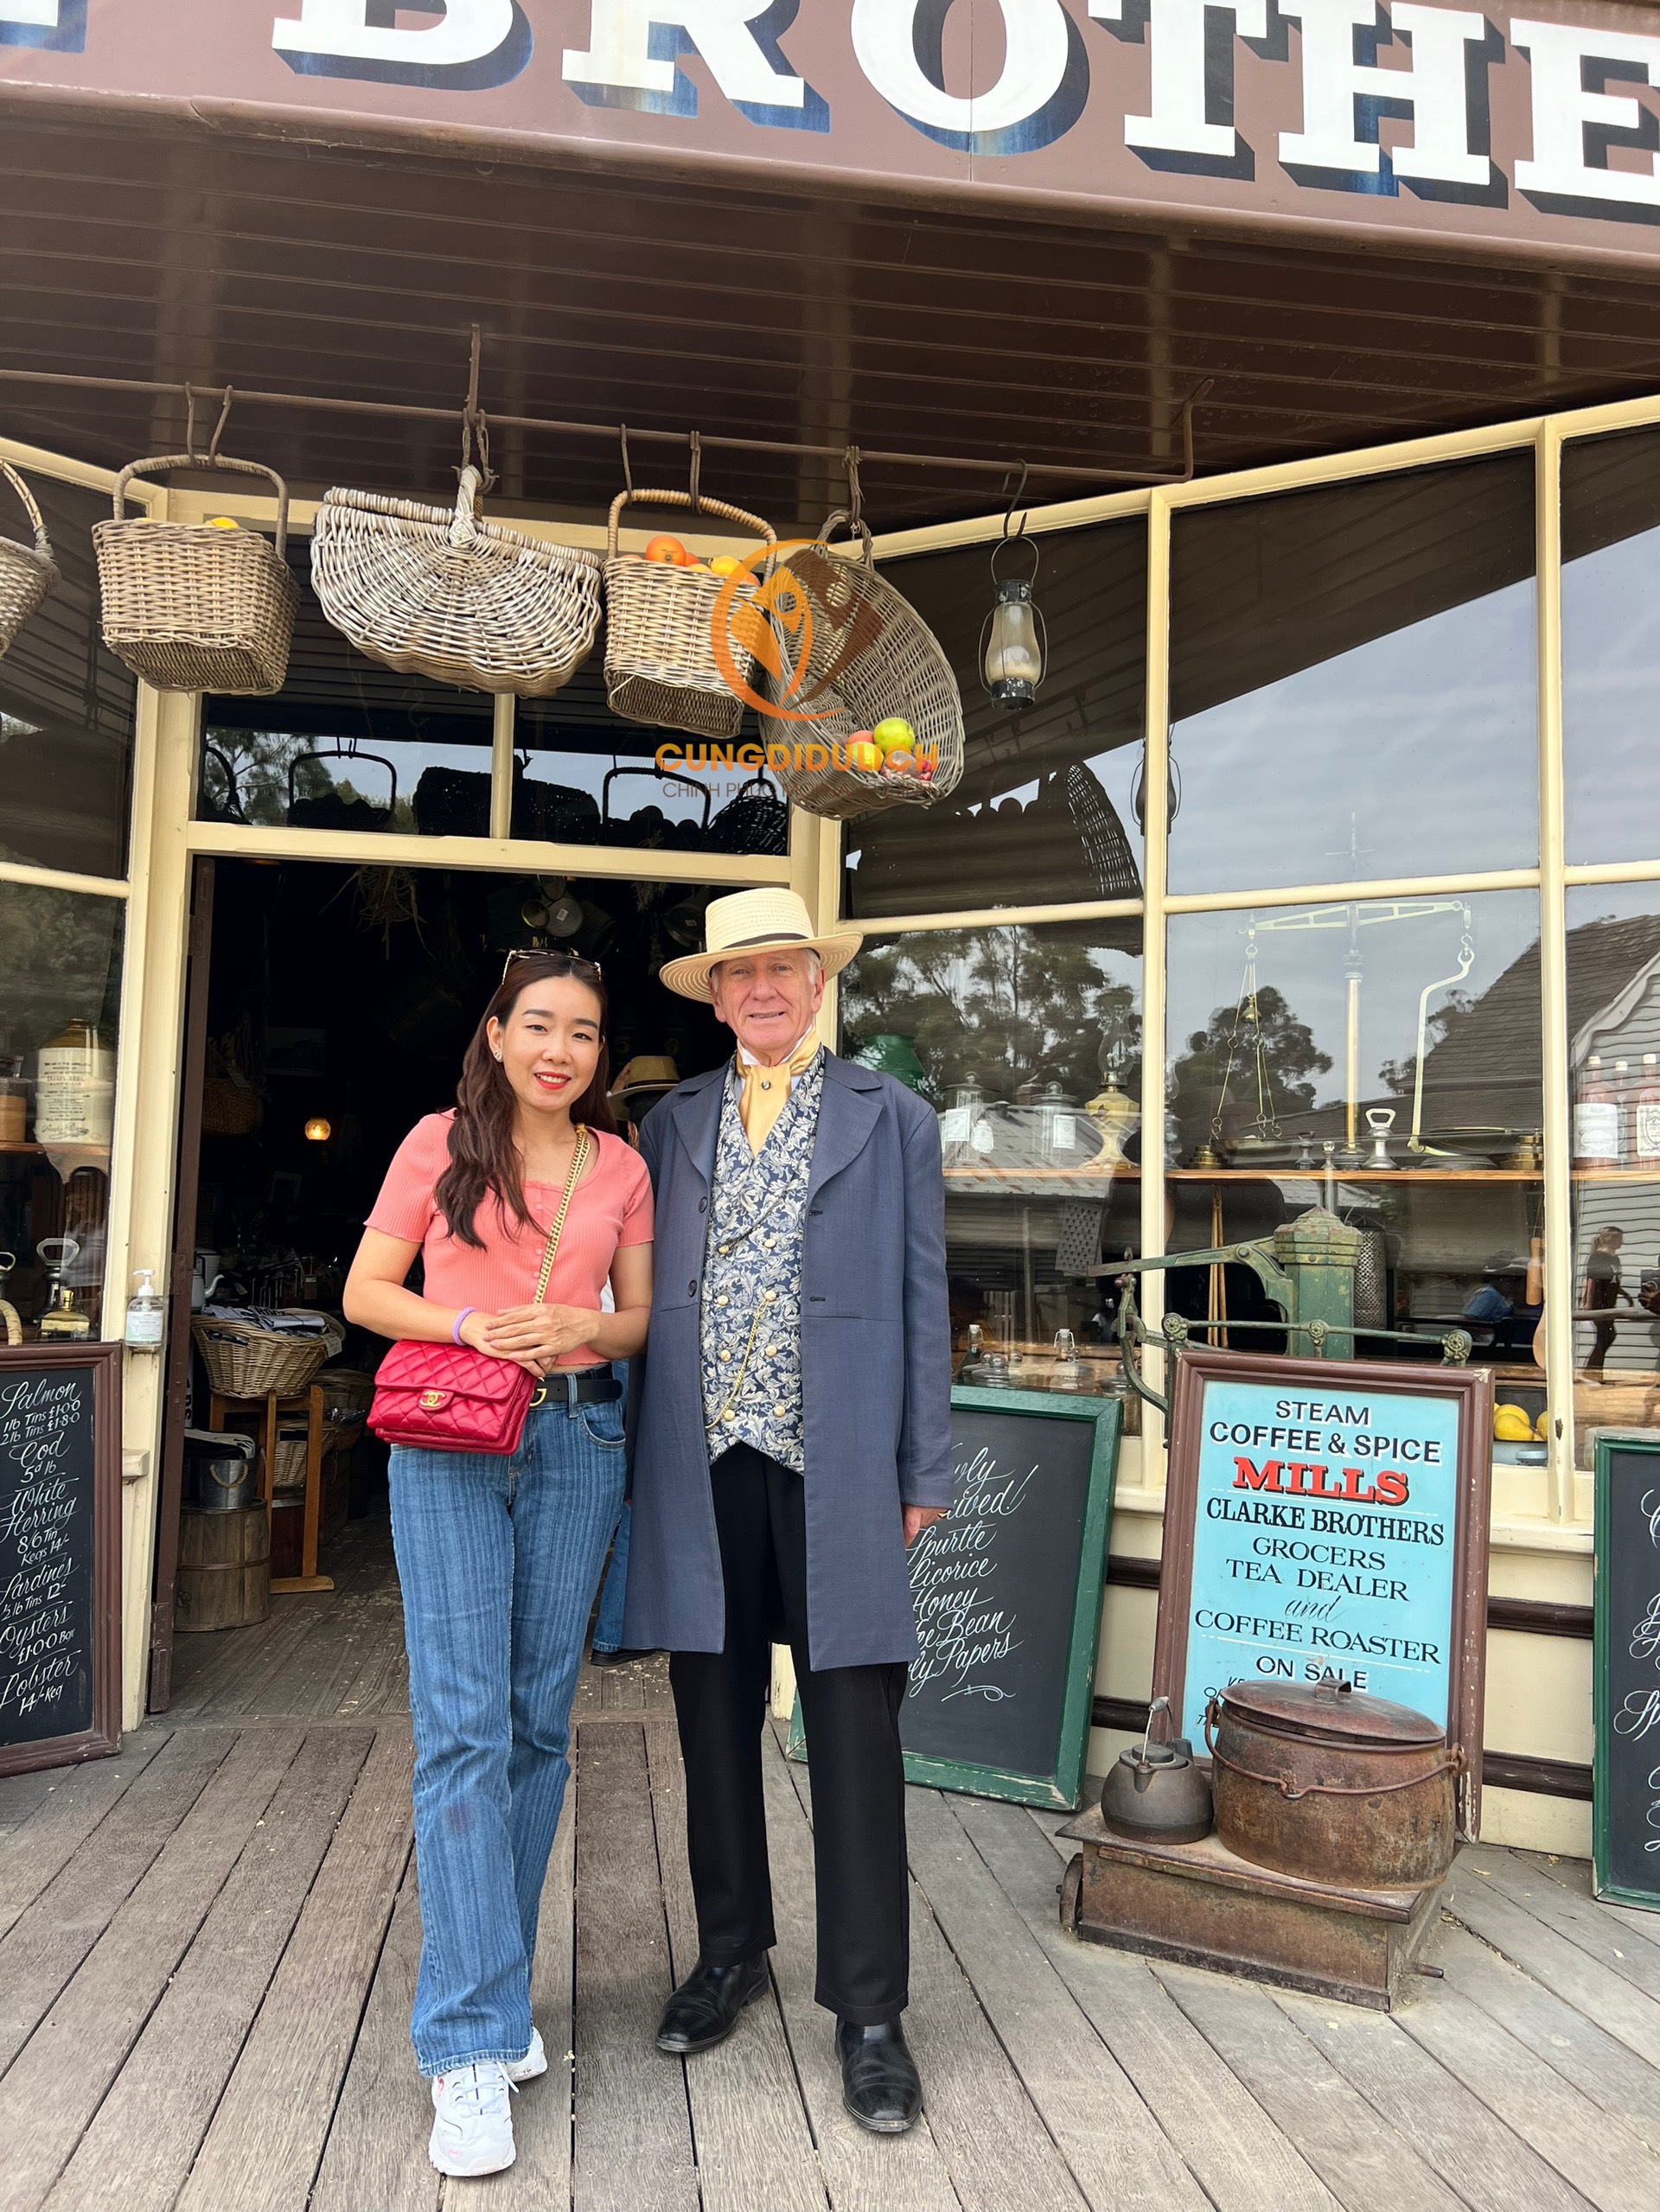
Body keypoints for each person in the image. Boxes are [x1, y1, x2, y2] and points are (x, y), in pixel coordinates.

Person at [621, 887, 953, 2135]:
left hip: (843, 1459)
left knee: (855, 1723)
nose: (763, 989)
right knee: (709, 1713)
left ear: (818, 983)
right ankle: (730, 1951)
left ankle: (870, 2011)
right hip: (699, 1454)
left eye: (784, 969)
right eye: (740, 972)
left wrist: (924, 1469)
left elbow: (924, 1298)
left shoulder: (893, 1115)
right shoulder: (669, 1122)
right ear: (715, 996)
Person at [343, 951, 653, 2178]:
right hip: (450, 1442)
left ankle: (494, 1989)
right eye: (539, 1024)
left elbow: (639, 1319)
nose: (559, 1049)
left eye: (582, 1031)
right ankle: (468, 2044)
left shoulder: (619, 1165)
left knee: (535, 1726)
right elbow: (368, 1291)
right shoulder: (439, 1142)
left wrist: (587, 1325)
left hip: (579, 1440)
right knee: (462, 1728)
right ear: (496, 1033)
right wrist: (471, 1322)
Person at [590, 1055, 680, 1666]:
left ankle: (615, 1627)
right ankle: (618, 1631)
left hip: (598, 1341)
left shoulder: (608, 1167)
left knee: (616, 1493)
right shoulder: (680, 1172)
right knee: (638, 1497)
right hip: (646, 1343)